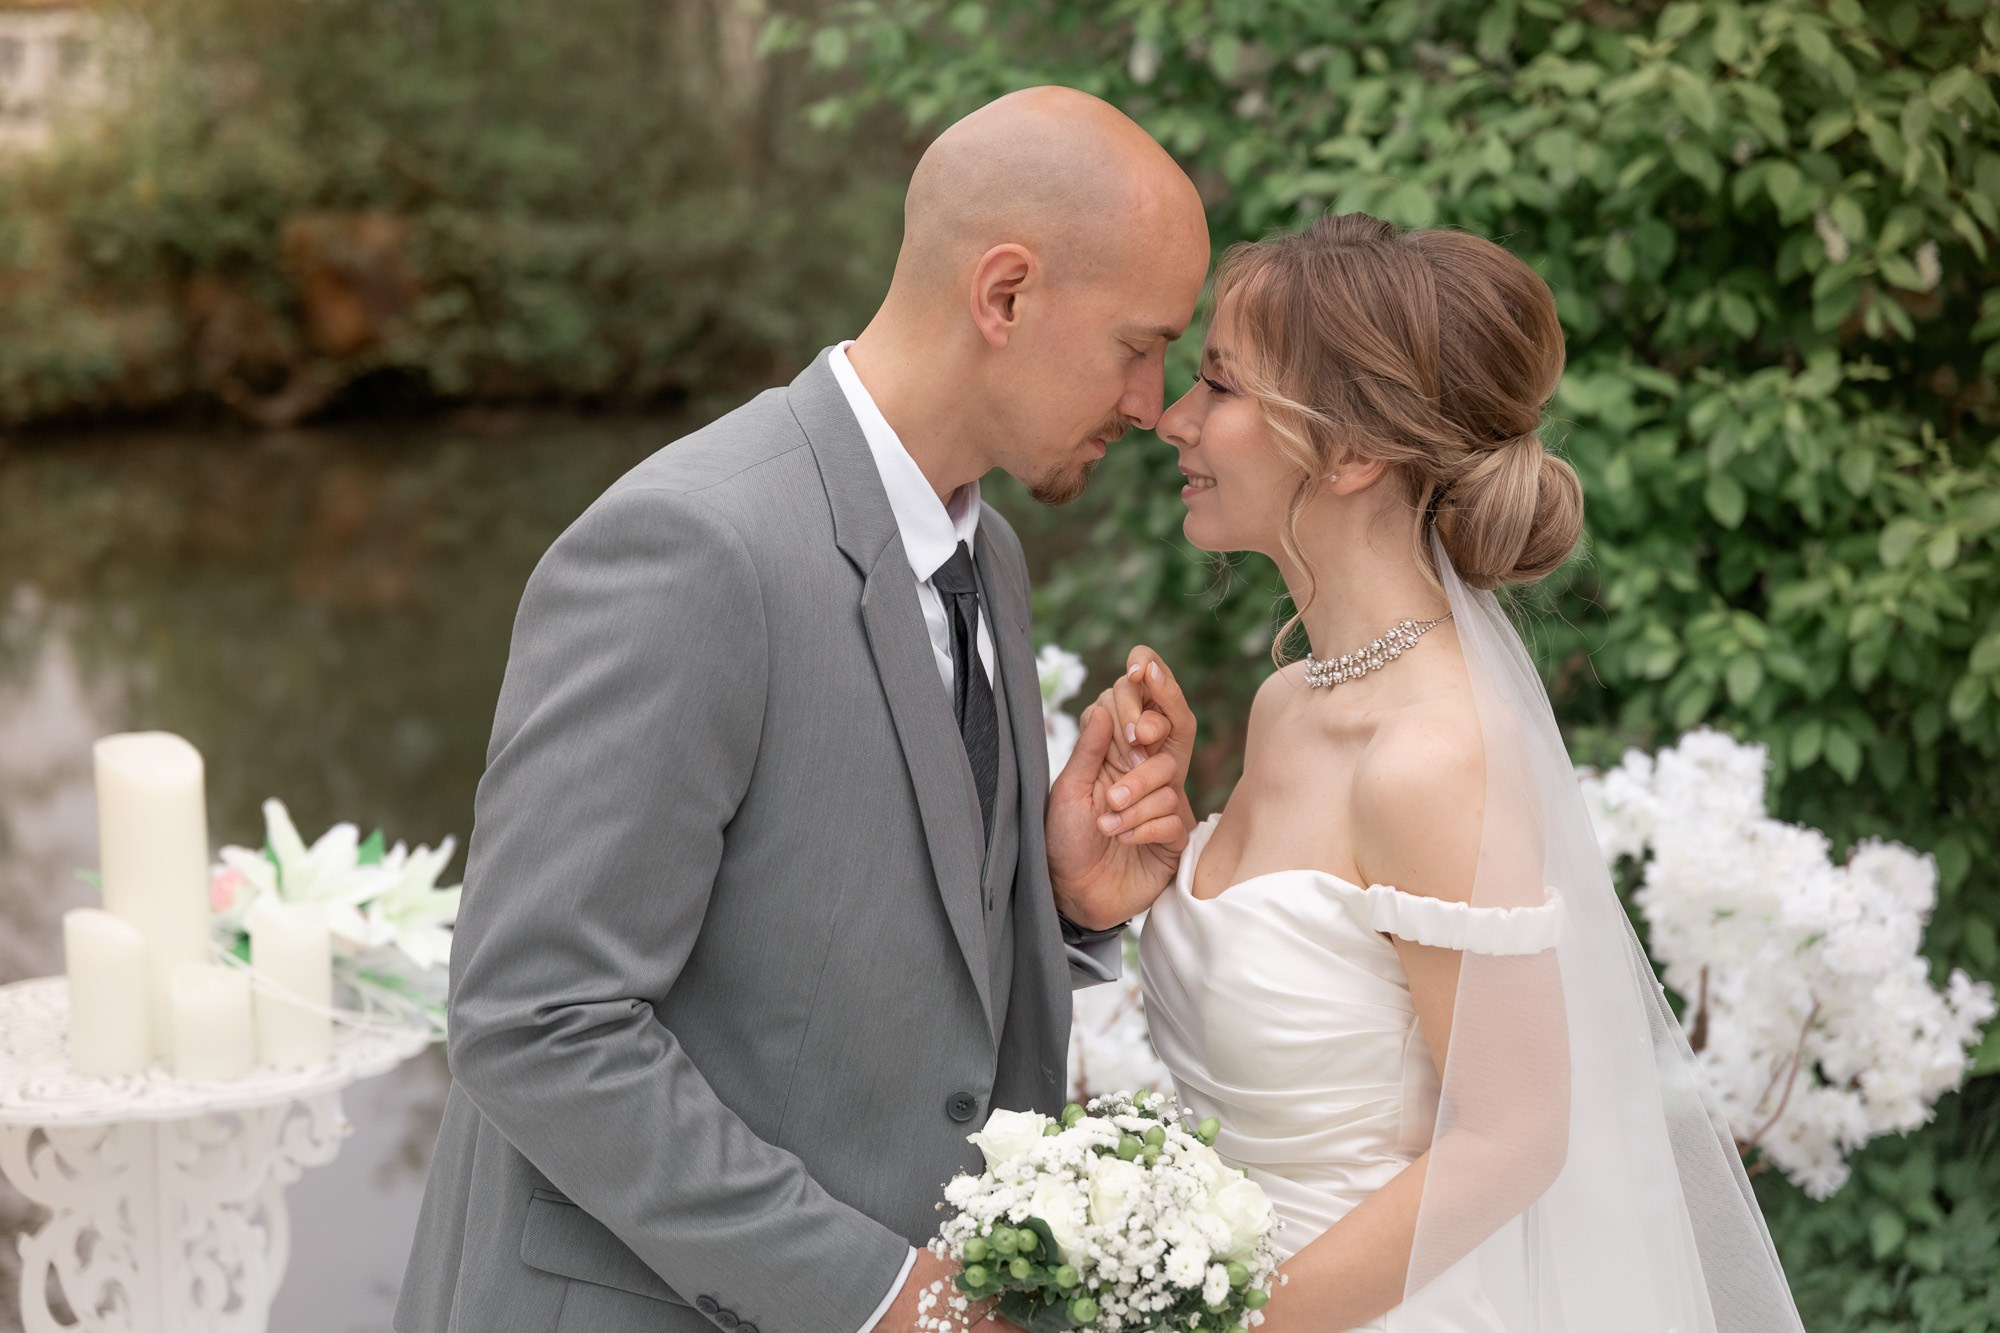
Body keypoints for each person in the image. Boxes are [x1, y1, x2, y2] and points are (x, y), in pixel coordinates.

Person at [394, 86, 1207, 1333]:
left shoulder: (984, 557)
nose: (1152, 403)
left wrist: (1050, 899)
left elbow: (851, 937)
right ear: (1003, 295)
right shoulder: (691, 545)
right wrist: (877, 1293)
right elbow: (535, 1019)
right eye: (1136, 345)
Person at [1076, 213, 1807, 1332]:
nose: (1172, 417)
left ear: (1354, 451)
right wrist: (1138, 874)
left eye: (1217, 386)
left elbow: (1509, 1141)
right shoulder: (1287, 704)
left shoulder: (1432, 755)